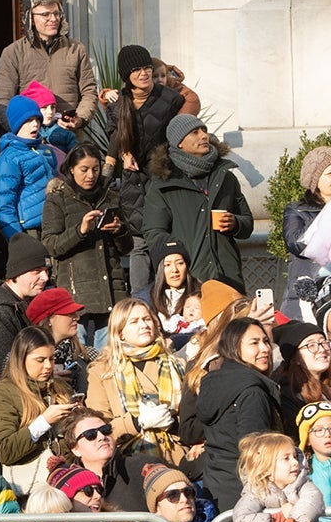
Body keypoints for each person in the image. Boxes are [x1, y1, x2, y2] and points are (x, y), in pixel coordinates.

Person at [104, 45, 184, 292]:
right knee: (138, 245)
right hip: (133, 182)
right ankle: (140, 301)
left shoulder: (171, 99)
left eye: (147, 68)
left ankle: (168, 297)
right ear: (126, 75)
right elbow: (113, 134)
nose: (144, 73)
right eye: (137, 69)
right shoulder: (118, 104)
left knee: (164, 241)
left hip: (162, 177)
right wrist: (123, 154)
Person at [144, 116, 252, 292]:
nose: (203, 136)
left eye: (204, 130)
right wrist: (177, 261)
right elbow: (154, 233)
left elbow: (247, 223)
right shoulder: (163, 184)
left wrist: (235, 222)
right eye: (195, 132)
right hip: (190, 279)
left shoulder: (226, 177)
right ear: (179, 143)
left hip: (228, 277)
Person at [187, 317, 282, 513]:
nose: (265, 348)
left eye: (266, 341)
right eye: (254, 343)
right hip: (248, 500)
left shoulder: (215, 383)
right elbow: (255, 453)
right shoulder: (252, 392)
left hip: (217, 491)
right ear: (234, 347)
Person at [41, 144, 129, 338]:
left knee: (109, 351)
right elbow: (50, 245)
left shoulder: (110, 197)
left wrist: (119, 231)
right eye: (84, 169)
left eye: (95, 169)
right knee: (76, 348)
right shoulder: (57, 200)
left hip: (111, 288)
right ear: (71, 169)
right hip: (75, 289)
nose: (91, 175)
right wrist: (80, 230)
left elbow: (126, 248)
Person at [84, 297, 185, 464]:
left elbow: (194, 414)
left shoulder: (177, 364)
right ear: (120, 333)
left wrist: (172, 423)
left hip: (178, 454)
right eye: (134, 322)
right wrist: (138, 422)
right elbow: (98, 429)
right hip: (130, 460)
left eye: (147, 319)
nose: (144, 325)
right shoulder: (102, 371)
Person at [0, 327, 77, 498]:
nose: (48, 366)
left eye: (52, 358)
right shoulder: (1, 393)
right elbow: (4, 450)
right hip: (33, 494)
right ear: (21, 360)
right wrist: (44, 422)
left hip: (71, 483)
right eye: (40, 360)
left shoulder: (61, 387)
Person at [0, 0, 97, 125]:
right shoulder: (13, 53)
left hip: (70, 134)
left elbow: (89, 91)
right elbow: (2, 100)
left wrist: (80, 118)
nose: (53, 19)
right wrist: (20, 129)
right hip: (30, 135)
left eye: (56, 13)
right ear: (30, 18)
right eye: (45, 14)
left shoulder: (76, 49)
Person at [0, 234, 52, 366]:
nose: (45, 277)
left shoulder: (23, 303)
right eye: (37, 271)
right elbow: (5, 368)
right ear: (17, 272)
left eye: (47, 271)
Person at [0, 95, 58, 240]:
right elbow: (4, 206)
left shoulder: (46, 150)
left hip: (54, 220)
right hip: (31, 230)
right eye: (28, 120)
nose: (35, 124)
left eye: (37, 119)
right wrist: (18, 240)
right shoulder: (9, 159)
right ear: (17, 124)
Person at [285, 147, 331, 320]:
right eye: (330, 174)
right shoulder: (297, 210)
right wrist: (327, 216)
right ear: (315, 181)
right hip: (308, 292)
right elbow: (295, 242)